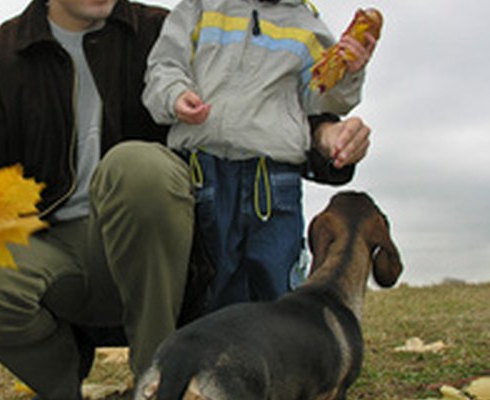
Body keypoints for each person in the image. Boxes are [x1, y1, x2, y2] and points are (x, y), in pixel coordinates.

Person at [0, 0, 372, 398]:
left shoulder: (163, 30)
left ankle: (156, 376)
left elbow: (254, 109)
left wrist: (325, 134)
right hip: (44, 248)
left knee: (138, 166)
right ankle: (62, 378)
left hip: (164, 256)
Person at [142, 0, 377, 311]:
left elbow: (322, 100)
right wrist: (174, 95)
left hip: (274, 179)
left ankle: (281, 357)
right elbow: (164, 66)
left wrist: (348, 74)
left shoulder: (308, 25)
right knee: (211, 288)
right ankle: (214, 357)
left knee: (277, 288)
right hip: (204, 173)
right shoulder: (199, 8)